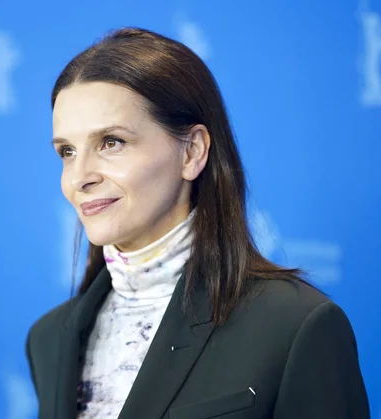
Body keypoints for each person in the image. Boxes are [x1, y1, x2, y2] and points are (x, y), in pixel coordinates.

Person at [25, 27, 370, 419]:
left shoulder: (294, 326)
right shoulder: (49, 339)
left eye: (111, 142)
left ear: (192, 152)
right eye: (67, 152)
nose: (78, 178)